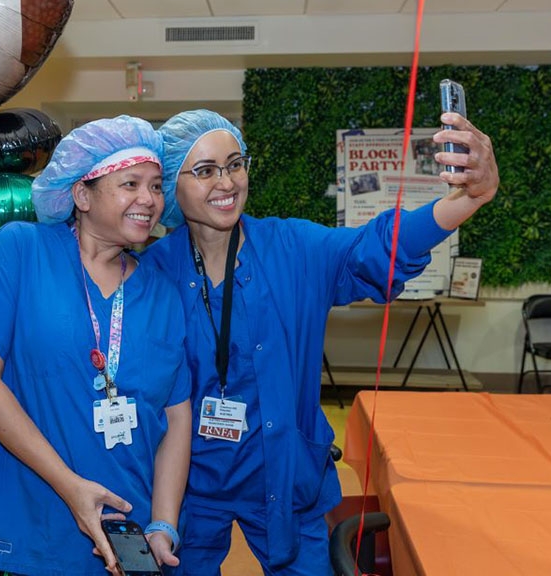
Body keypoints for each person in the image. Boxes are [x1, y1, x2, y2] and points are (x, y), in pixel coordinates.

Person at [143, 109, 499, 575]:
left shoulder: (293, 249)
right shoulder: (152, 271)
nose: (227, 182)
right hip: (190, 480)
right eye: (206, 170)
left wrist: (467, 200)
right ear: (172, 184)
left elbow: (374, 247)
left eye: (235, 164)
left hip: (285, 474)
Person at [0, 115, 192, 575]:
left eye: (155, 186)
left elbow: (176, 416)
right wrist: (71, 487)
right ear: (82, 195)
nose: (149, 199)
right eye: (130, 184)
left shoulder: (162, 293)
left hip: (129, 536)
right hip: (34, 533)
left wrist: (163, 524)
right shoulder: (21, 251)